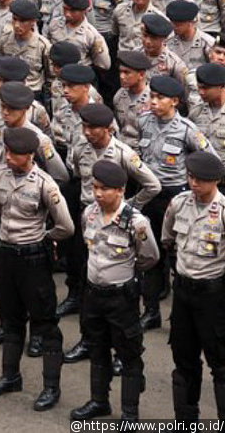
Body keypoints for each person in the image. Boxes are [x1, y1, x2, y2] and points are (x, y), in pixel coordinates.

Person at [0, 127, 74, 411]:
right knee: (10, 319)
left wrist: (42, 239)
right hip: (6, 256)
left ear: (30, 156)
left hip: (33, 260)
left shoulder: (45, 185)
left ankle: (50, 387)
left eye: (15, 154)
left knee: (45, 323)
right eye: (7, 151)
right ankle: (10, 376)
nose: (8, 157)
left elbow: (66, 227)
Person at [70, 160, 159, 421]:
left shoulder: (136, 222)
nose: (98, 193)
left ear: (120, 190)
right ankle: (99, 401)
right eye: (95, 187)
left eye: (104, 189)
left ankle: (130, 412)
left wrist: (123, 274)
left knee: (129, 353)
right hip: (93, 295)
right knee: (97, 349)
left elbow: (150, 257)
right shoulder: (89, 213)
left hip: (121, 298)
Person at [138, 75, 216, 331]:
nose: (154, 102)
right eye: (152, 96)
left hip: (176, 197)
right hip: (150, 196)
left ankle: (180, 314)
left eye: (160, 98)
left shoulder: (186, 129)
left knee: (177, 254)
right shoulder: (143, 121)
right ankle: (151, 311)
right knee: (148, 255)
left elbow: (211, 160)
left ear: (174, 101)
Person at [162, 151, 225, 421]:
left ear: (217, 181)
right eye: (190, 177)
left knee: (220, 363)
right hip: (184, 293)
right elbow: (167, 238)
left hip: (213, 296)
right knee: (183, 359)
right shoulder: (178, 203)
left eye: (201, 179)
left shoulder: (223, 212)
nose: (194, 183)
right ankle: (186, 419)